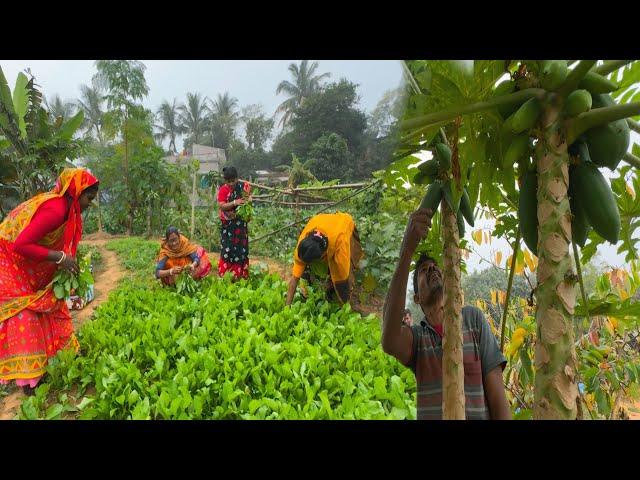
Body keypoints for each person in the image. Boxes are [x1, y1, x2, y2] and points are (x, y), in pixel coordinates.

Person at [381, 208, 511, 420]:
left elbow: (497, 394)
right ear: (416, 299)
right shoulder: (417, 339)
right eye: (424, 270)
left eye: (435, 267)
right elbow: (389, 340)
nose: (432, 269)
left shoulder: (473, 320)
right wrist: (407, 251)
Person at [0, 168, 99, 394]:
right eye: (89, 198)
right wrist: (60, 258)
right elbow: (20, 245)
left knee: (51, 303)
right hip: (8, 261)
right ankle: (30, 383)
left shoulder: (68, 211)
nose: (89, 204)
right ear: (75, 192)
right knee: (25, 313)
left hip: (26, 264)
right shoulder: (55, 210)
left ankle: (64, 354)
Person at [286, 212, 364, 306]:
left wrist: (344, 305)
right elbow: (295, 279)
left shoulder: (340, 244)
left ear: (323, 255)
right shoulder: (303, 244)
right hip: (321, 221)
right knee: (304, 276)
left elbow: (343, 280)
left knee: (340, 277)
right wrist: (287, 306)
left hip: (344, 225)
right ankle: (317, 286)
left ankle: (332, 292)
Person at [216, 166, 251, 281]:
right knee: (227, 249)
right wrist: (235, 202)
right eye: (228, 181)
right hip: (228, 228)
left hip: (240, 227)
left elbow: (247, 200)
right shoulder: (223, 190)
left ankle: (240, 275)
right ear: (225, 181)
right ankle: (226, 276)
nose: (231, 183)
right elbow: (222, 205)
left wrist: (248, 199)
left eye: (233, 180)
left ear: (237, 178)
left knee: (240, 250)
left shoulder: (242, 187)